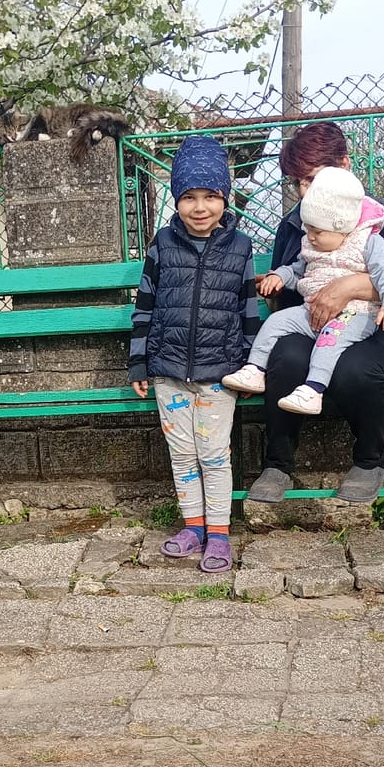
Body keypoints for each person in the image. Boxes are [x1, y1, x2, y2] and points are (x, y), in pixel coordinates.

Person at [245, 121, 384, 504]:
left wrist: (346, 287)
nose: (304, 192)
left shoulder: (379, 217)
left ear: (344, 165)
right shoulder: (295, 223)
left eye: (312, 179)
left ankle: (368, 462)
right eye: (298, 182)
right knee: (286, 357)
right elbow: (293, 279)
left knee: (354, 368)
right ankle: (278, 465)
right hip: (314, 326)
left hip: (379, 325)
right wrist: (276, 288)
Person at [128, 134, 259, 573]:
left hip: (219, 374)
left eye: (210, 196)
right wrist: (139, 361)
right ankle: (193, 526)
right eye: (189, 197)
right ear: (176, 200)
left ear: (225, 198)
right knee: (181, 453)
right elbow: (144, 305)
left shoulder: (240, 249)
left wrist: (250, 365)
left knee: (214, 455)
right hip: (167, 372)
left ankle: (219, 534)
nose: (199, 207)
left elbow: (248, 311)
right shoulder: (162, 244)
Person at [222, 166, 384, 416]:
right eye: (308, 229)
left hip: (355, 315)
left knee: (330, 340)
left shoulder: (368, 243)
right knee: (276, 322)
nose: (310, 236)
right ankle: (255, 369)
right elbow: (296, 269)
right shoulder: (312, 242)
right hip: (311, 311)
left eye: (317, 231)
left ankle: (313, 390)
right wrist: (278, 276)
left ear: (341, 226)